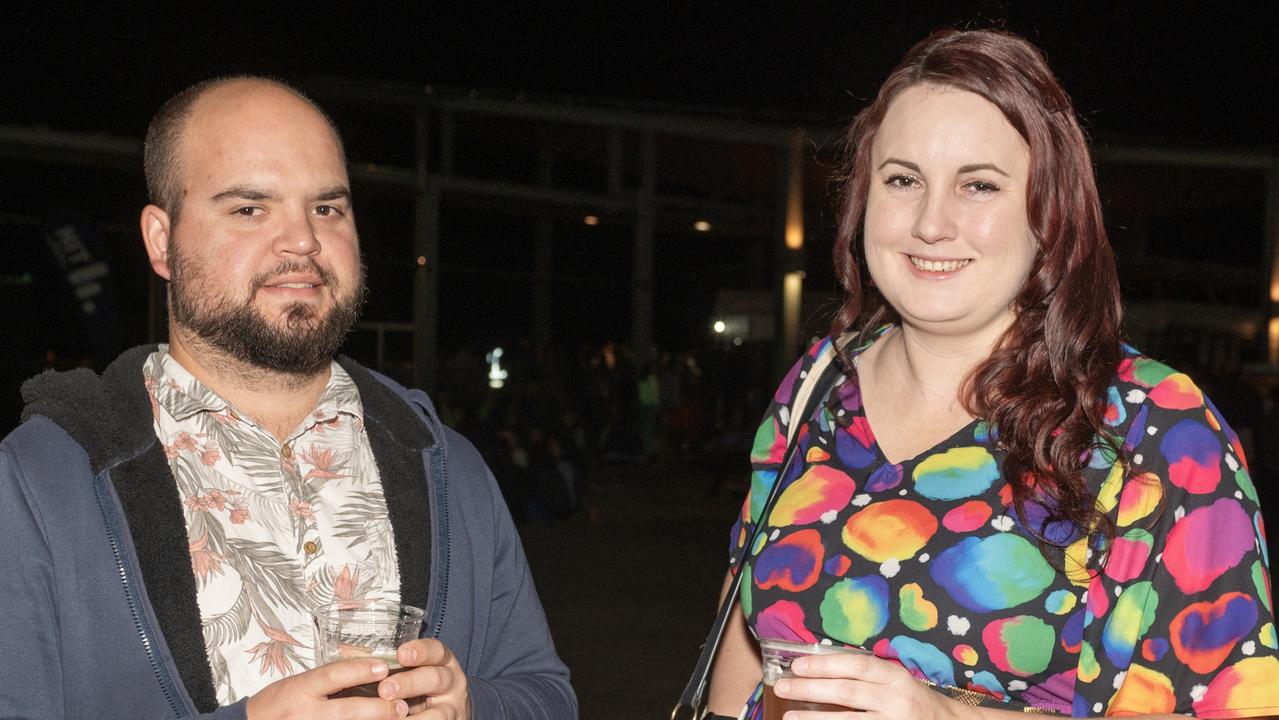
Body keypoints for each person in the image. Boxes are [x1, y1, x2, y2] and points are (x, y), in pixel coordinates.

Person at [706, 29, 1278, 719]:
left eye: (977, 185)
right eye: (901, 180)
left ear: (1049, 213)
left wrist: (951, 716)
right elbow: (744, 619)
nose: (930, 223)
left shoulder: (1155, 428)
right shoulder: (817, 383)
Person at [0, 77, 576, 719]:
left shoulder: (448, 467)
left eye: (327, 208)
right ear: (162, 241)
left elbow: (545, 693)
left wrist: (473, 708)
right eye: (250, 208)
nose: (302, 240)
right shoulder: (41, 482)